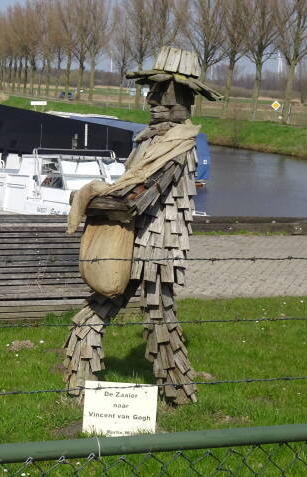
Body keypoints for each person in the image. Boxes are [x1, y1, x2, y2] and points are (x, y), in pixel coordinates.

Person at [63, 47, 220, 405]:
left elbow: (139, 197)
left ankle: (178, 395)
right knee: (96, 311)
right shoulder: (149, 141)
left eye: (161, 94)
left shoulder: (178, 145)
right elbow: (130, 191)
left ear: (181, 100)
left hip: (159, 248)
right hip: (130, 243)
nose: (151, 101)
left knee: (159, 319)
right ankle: (77, 385)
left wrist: (92, 200)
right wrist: (98, 199)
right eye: (151, 92)